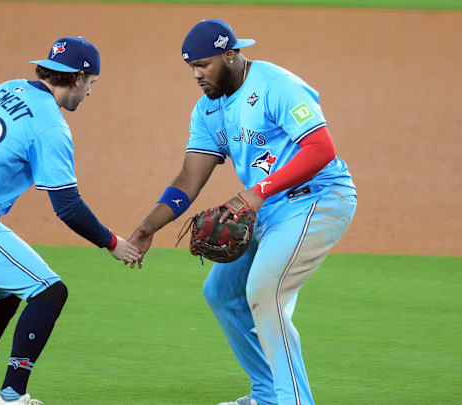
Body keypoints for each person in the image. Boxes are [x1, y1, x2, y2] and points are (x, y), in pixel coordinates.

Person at [128, 19, 357, 405]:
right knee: (221, 293)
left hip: (317, 199)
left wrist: (257, 192)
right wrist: (150, 225)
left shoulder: (276, 86)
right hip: (265, 210)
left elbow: (321, 149)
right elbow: (190, 176)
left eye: (204, 64)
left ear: (230, 54)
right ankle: (267, 394)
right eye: (191, 67)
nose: (197, 75)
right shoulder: (208, 110)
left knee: (265, 293)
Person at [0, 36, 141, 405]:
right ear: (79, 78)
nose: (90, 93)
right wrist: (113, 242)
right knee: (50, 291)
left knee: (6, 292)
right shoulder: (50, 125)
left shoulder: (6, 88)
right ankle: (13, 396)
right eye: (92, 84)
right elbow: (67, 206)